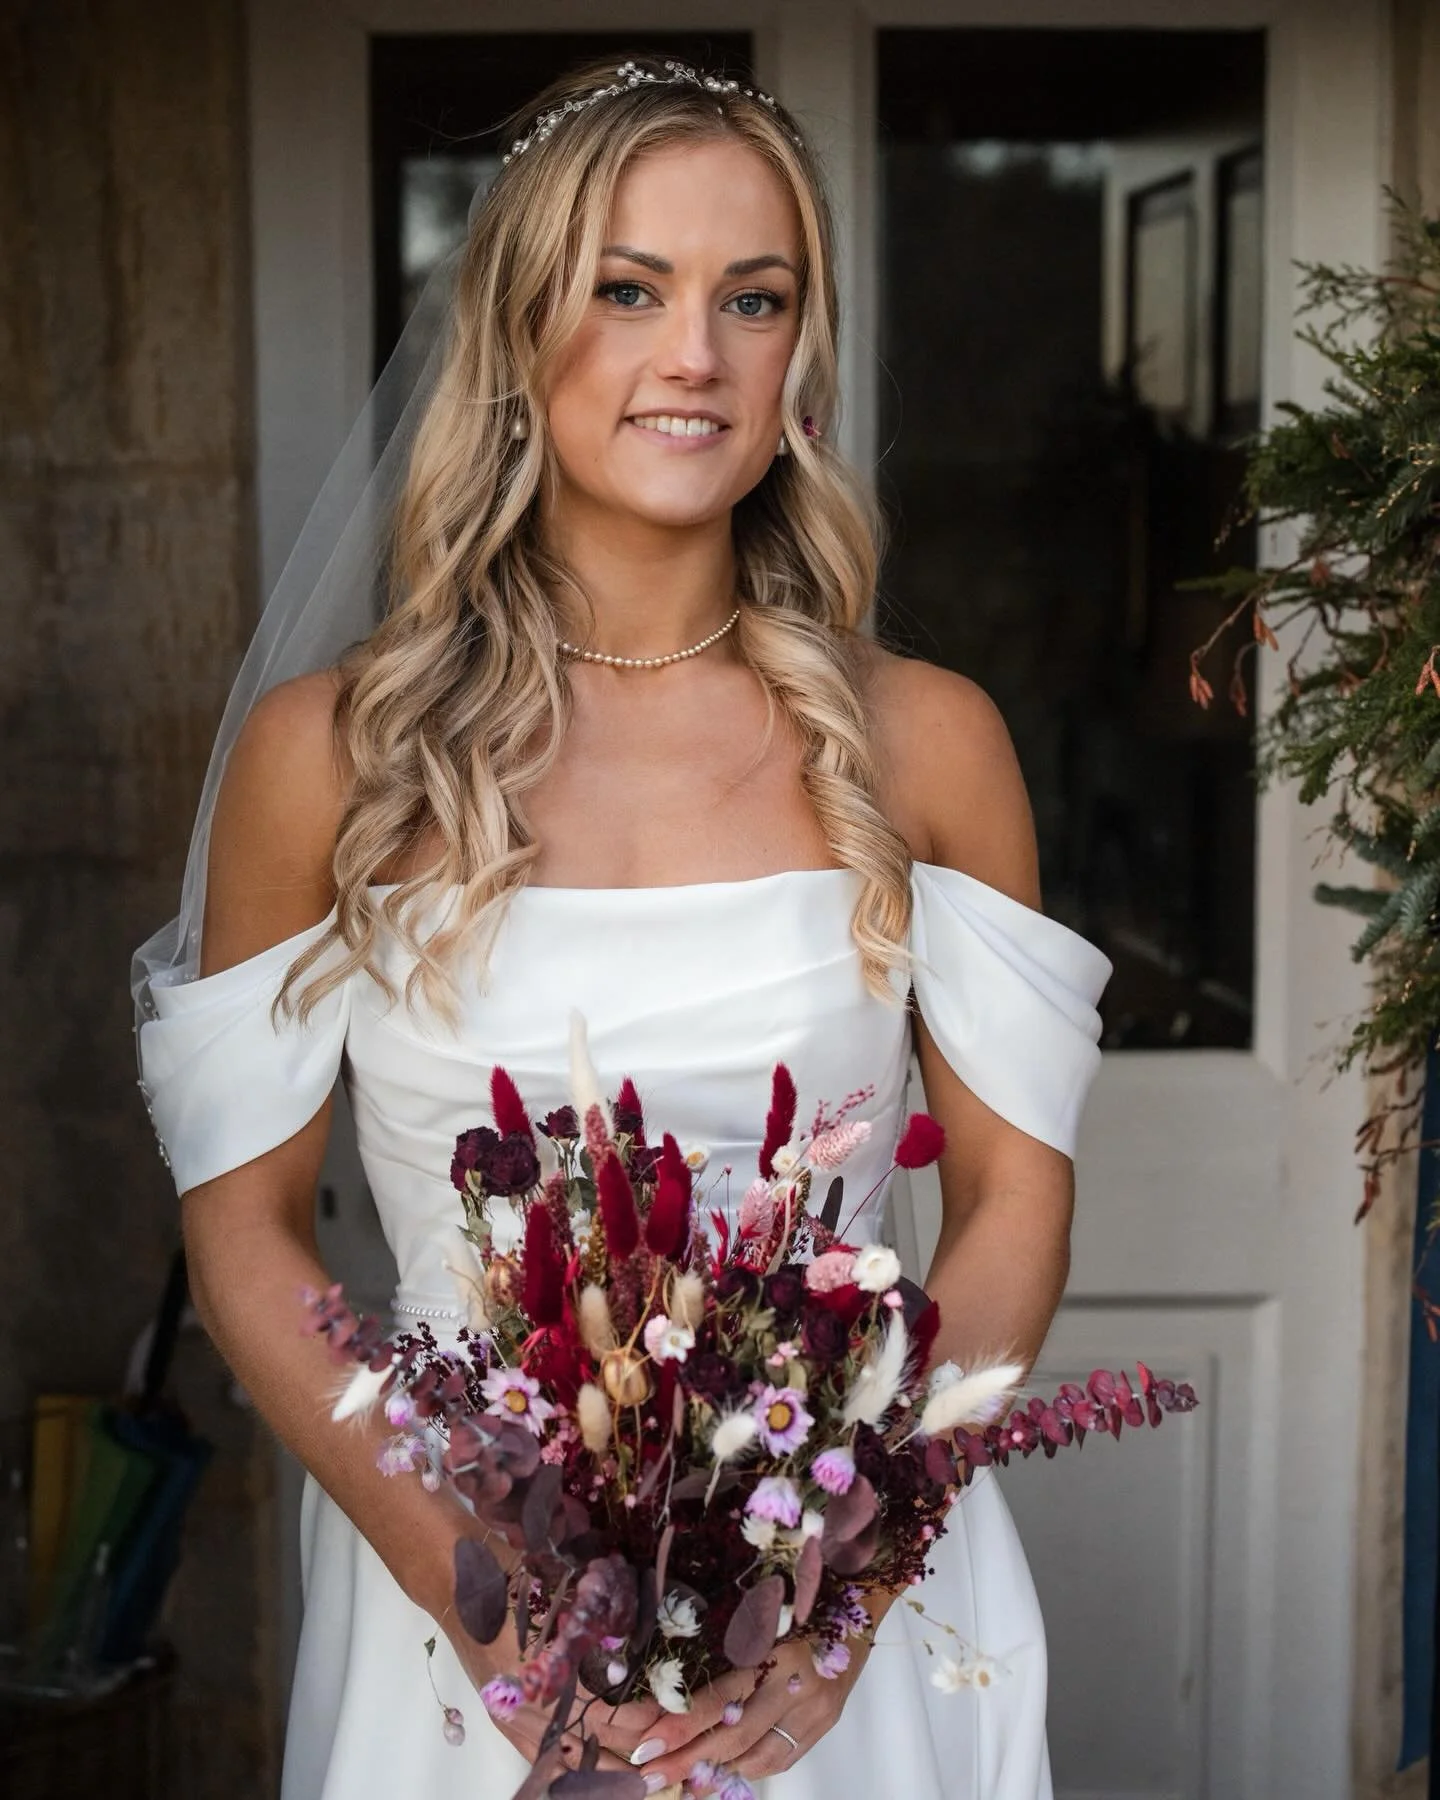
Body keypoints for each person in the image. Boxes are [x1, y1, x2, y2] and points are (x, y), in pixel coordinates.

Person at [135, 55, 1110, 1800]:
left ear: (799, 352)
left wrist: (846, 1586)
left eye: (757, 299)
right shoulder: (331, 761)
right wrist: (489, 1606)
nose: (697, 357)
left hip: (842, 1631)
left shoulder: (926, 741)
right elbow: (248, 1244)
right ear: (519, 331)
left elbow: (1018, 1200)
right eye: (629, 290)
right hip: (468, 1619)